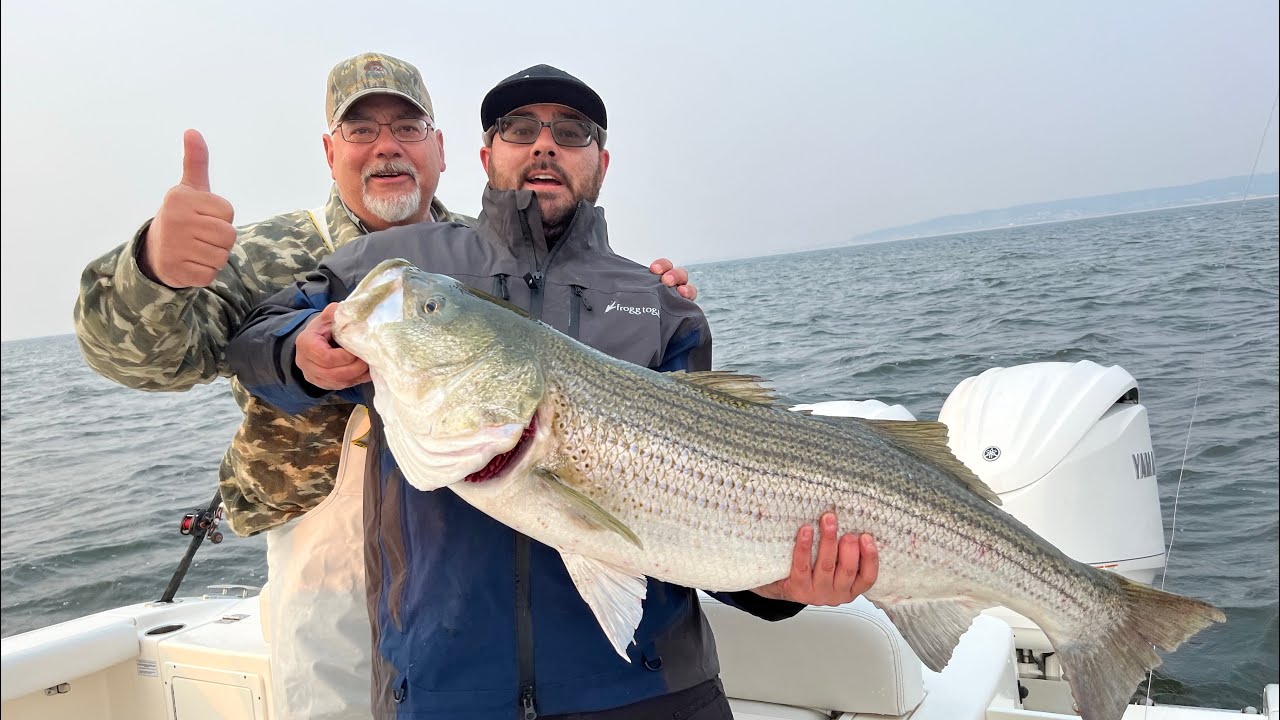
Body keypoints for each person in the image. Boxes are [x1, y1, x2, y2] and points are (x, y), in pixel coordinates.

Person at [228, 63, 878, 720]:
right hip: (447, 693)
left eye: (571, 132)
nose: (544, 144)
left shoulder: (661, 306)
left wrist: (781, 587)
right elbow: (256, 339)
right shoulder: (400, 268)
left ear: (601, 163)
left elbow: (703, 512)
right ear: (486, 155)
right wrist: (298, 353)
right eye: (519, 128)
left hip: (654, 693)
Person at [71, 52, 696, 720]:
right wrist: (156, 270)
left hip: (460, 558)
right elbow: (150, 361)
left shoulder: (488, 253)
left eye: (407, 127)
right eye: (361, 130)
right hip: (326, 566)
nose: (386, 147)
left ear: (444, 149)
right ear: (329, 149)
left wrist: (651, 298)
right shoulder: (265, 252)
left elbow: (576, 360)